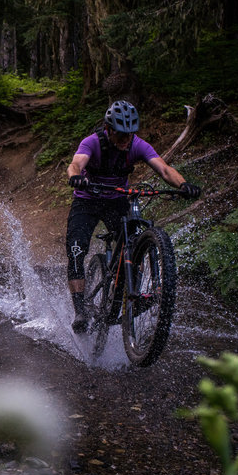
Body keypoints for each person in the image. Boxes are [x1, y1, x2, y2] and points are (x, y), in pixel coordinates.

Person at [65, 100, 201, 334]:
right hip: (87, 200)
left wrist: (184, 184)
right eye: (120, 135)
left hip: (116, 201)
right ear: (109, 130)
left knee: (134, 242)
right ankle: (80, 310)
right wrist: (76, 177)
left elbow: (164, 169)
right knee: (76, 250)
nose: (125, 140)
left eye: (129, 135)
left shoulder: (138, 145)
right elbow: (76, 164)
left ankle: (131, 292)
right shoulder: (92, 142)